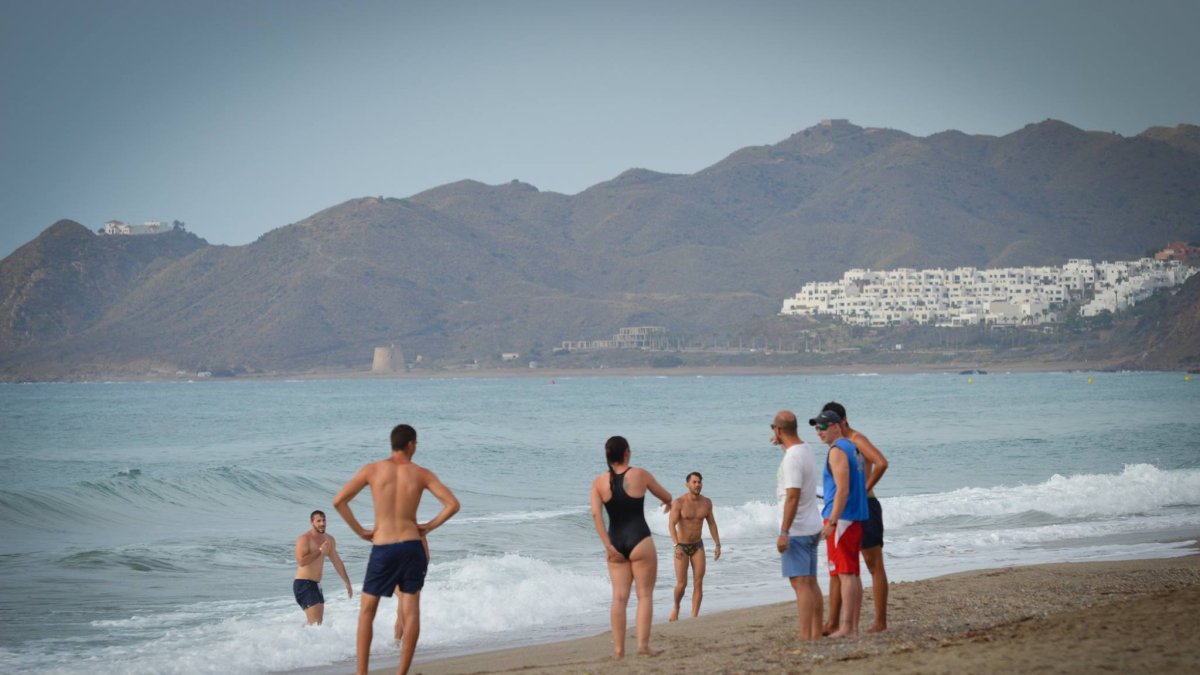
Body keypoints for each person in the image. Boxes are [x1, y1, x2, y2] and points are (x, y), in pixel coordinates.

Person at [333, 424, 460, 675]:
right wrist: (427, 527)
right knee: (411, 612)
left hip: (383, 547)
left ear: (393, 443)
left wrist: (360, 531)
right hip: (412, 547)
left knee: (367, 611)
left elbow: (339, 501)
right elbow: (452, 505)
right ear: (411, 444)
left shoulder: (372, 470)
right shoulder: (421, 474)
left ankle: (362, 673)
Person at [589, 435, 672, 658]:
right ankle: (643, 646)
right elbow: (666, 495)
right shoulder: (640, 474)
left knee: (619, 597)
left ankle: (618, 651)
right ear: (627, 453)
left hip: (615, 542)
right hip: (640, 541)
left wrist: (608, 546)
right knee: (644, 595)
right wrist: (668, 502)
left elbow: (596, 515)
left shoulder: (598, 482)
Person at [820, 401, 890, 634]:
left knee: (873, 565)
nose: (822, 429)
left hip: (865, 506)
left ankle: (880, 621)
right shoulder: (840, 445)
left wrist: (864, 488)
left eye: (828, 424)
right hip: (846, 510)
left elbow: (881, 463)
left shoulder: (856, 440)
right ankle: (833, 621)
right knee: (841, 567)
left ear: (841, 421)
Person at [810, 408, 869, 638]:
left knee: (845, 573)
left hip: (843, 518)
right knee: (852, 572)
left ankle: (847, 627)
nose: (819, 432)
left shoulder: (837, 451)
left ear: (836, 426)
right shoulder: (852, 447)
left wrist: (832, 522)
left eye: (823, 427)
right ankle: (852, 627)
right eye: (817, 428)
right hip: (853, 516)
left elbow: (843, 489)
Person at [771, 410, 824, 641]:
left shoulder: (792, 458)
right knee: (810, 582)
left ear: (778, 430)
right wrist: (781, 443)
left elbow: (792, 496)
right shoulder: (806, 449)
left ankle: (805, 635)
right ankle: (815, 633)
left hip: (798, 529)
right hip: (811, 524)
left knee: (801, 584)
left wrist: (784, 532)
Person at [667, 471, 721, 621]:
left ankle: (694, 617)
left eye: (699, 482)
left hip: (698, 546)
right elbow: (671, 525)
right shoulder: (679, 502)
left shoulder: (706, 503)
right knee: (682, 584)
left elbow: (712, 523)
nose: (697, 485)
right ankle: (676, 607)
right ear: (687, 484)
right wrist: (676, 545)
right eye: (694, 482)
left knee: (698, 582)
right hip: (682, 547)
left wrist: (717, 544)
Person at [293, 510, 354, 625]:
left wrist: (347, 582)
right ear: (312, 522)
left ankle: (297, 635)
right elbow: (301, 562)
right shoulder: (304, 538)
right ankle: (295, 635)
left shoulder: (329, 539)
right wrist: (320, 550)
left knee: (317, 623)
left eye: (324, 520)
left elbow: (337, 561)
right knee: (315, 623)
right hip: (303, 583)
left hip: (316, 584)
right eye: (318, 521)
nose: (322, 523)